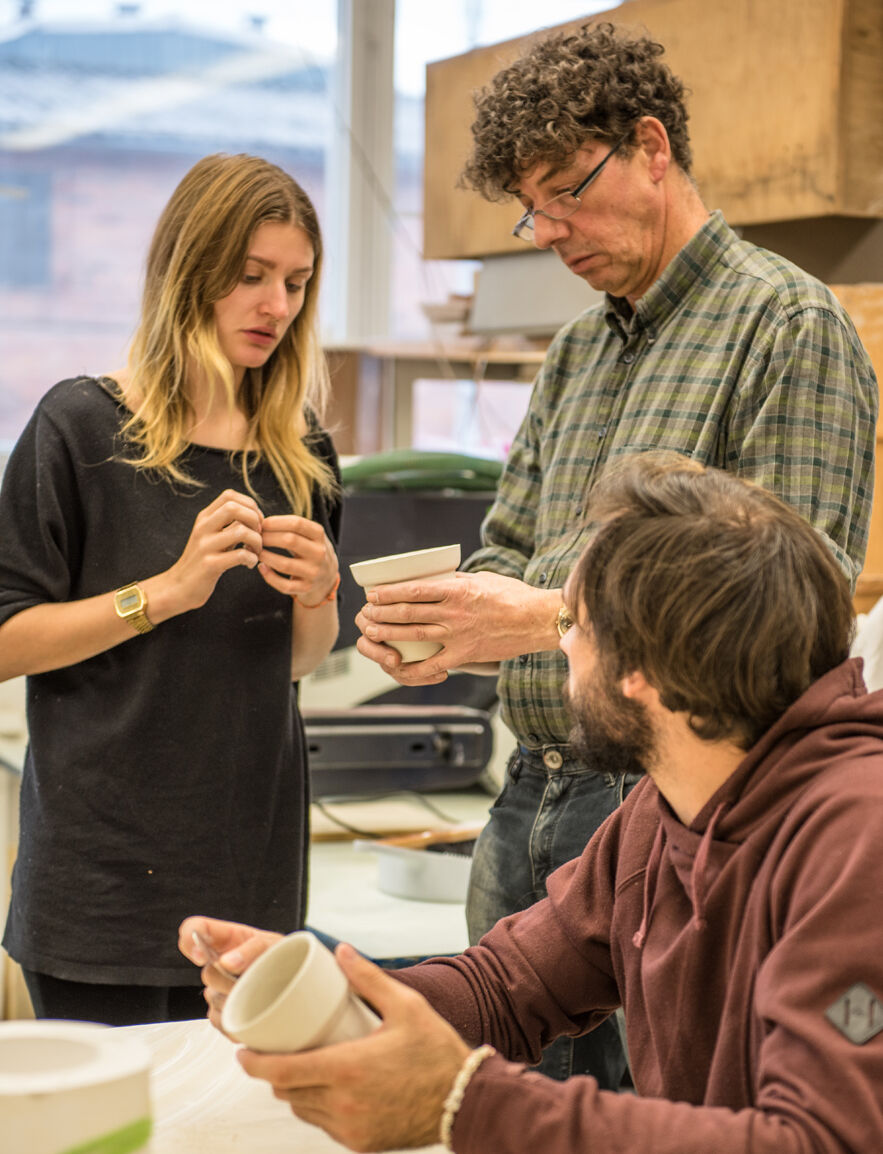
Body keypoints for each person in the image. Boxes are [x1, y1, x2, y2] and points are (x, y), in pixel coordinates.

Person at [351, 20, 878, 1087]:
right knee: (501, 1087)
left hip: (672, 814)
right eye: (527, 208)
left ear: (650, 148)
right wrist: (449, 622)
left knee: (662, 1112)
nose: (545, 230)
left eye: (564, 192)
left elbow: (793, 613)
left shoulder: (787, 326)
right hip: (528, 798)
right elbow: (509, 547)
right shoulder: (578, 350)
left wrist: (535, 619)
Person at [181, 453, 883, 1153]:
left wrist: (462, 1102)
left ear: (639, 672)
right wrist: (336, 993)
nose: (561, 651)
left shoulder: (859, 835)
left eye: (570, 625)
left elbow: (817, 1142)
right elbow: (506, 986)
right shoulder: (665, 809)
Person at [0, 153, 342, 1026]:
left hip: (248, 875)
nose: (278, 307)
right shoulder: (78, 428)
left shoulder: (301, 455)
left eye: (297, 283)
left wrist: (319, 598)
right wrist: (162, 593)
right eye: (252, 277)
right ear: (188, 273)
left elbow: (295, 663)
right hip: (99, 886)